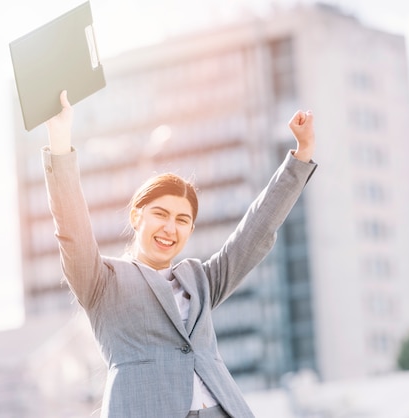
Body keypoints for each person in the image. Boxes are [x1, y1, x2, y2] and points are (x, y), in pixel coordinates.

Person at [43, 90, 317, 418]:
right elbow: (71, 231)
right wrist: (59, 142)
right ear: (136, 216)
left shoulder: (200, 279)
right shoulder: (103, 282)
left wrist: (301, 156)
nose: (170, 228)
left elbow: (255, 233)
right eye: (161, 214)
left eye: (182, 220)